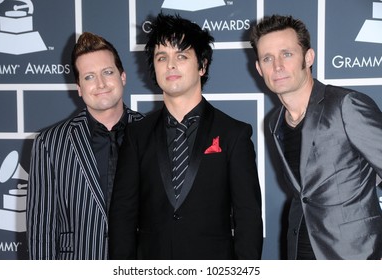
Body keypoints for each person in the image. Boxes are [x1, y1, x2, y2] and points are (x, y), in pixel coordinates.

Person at [109, 13, 263, 260]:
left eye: (181, 56)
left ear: (202, 66)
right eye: (162, 57)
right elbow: (123, 214)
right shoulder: (136, 135)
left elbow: (248, 218)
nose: (170, 65)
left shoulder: (234, 134)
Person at [250, 14, 382, 260]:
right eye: (267, 58)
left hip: (354, 256)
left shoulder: (346, 105)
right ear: (259, 68)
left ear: (308, 57)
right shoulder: (274, 122)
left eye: (287, 54)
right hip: (299, 253)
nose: (277, 66)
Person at [26, 32, 144, 259]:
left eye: (107, 72)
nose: (100, 84)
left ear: (123, 77)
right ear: (79, 87)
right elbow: (41, 230)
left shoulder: (152, 132)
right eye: (89, 77)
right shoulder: (50, 144)